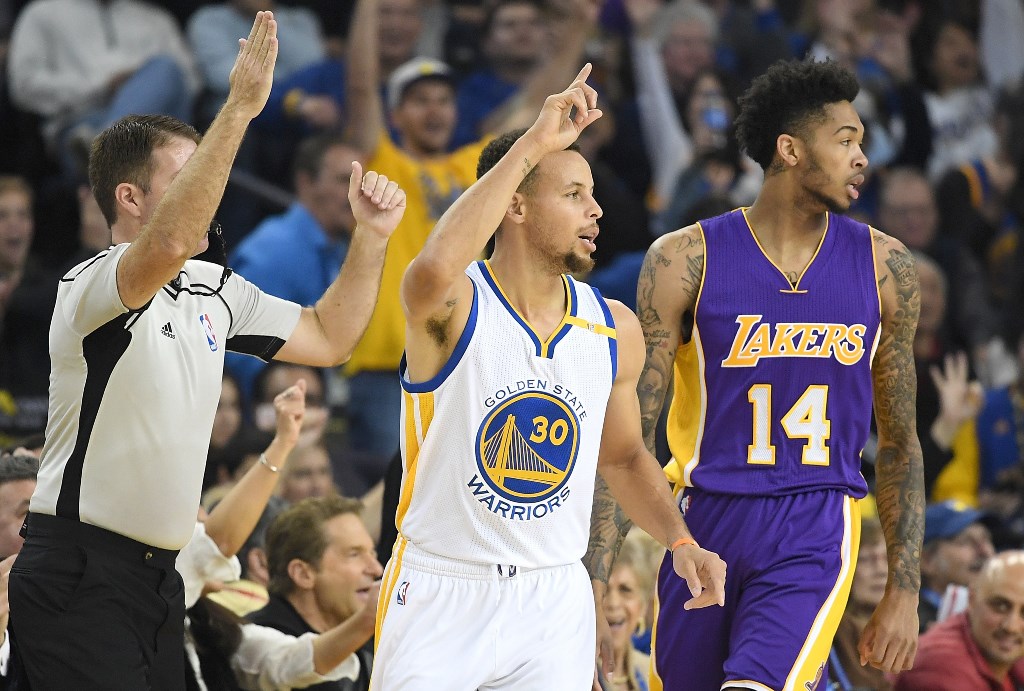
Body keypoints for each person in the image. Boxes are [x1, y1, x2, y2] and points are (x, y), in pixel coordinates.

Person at [9, 12, 407, 688]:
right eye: (188, 177)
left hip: (161, 582)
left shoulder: (213, 287)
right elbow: (163, 244)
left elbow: (331, 336)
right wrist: (241, 108)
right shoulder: (92, 281)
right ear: (129, 197)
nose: (211, 192)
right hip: (78, 575)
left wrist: (370, 239)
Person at [370, 64, 726, 691]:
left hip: (552, 593)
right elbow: (428, 268)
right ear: (514, 204)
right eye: (573, 195)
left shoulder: (612, 327)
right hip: (442, 586)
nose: (595, 211)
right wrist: (534, 141)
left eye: (592, 194)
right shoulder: (454, 306)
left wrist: (679, 540)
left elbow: (622, 458)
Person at [587, 58, 925, 690]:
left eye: (863, 144)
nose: (862, 159)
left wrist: (905, 589)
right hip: (701, 524)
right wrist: (594, 576)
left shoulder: (886, 268)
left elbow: (902, 442)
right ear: (790, 149)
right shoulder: (683, 259)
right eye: (845, 140)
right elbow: (628, 436)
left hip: (816, 522)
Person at [249, 495, 383, 691]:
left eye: (372, 554)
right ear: (303, 574)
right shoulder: (261, 648)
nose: (376, 569)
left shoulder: (369, 639)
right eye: (354, 554)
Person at [892, 550, 1024, 690]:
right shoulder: (940, 668)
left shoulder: (996, 651)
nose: (1012, 626)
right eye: (1000, 606)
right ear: (972, 599)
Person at [919, 500, 996, 632]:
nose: (984, 551)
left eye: (986, 539)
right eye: (965, 541)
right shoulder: (908, 626)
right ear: (927, 560)